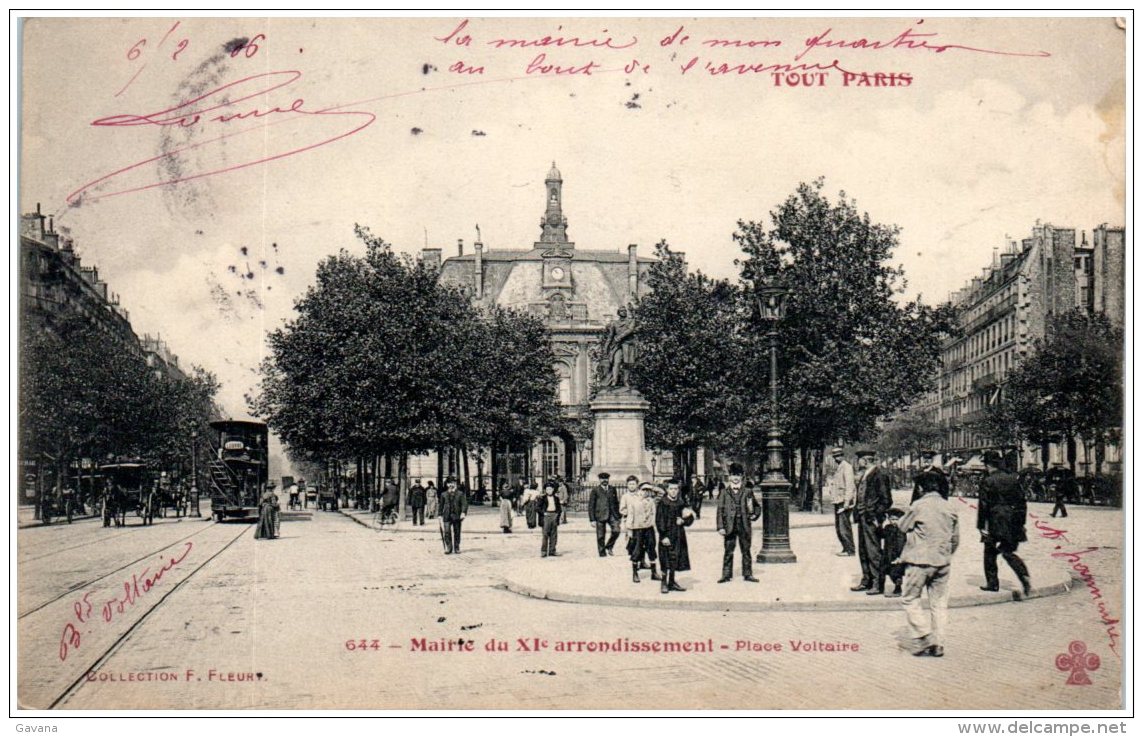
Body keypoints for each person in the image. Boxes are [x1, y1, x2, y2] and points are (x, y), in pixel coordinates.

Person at [898, 473, 961, 657]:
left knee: (910, 598)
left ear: (920, 488)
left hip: (919, 561)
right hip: (943, 562)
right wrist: (944, 554)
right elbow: (955, 539)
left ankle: (923, 635)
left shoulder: (918, 506)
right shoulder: (950, 507)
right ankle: (939, 643)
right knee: (939, 604)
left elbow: (902, 527)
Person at [978, 450, 1032, 595]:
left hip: (995, 520)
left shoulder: (988, 481)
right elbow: (1022, 502)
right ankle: (1023, 574)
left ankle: (992, 583)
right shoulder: (1013, 479)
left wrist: (982, 526)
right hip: (1013, 521)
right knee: (1008, 551)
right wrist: (1021, 523)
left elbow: (984, 505)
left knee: (989, 552)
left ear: (988, 465)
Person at [851, 450, 893, 594]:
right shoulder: (865, 475)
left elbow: (886, 500)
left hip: (871, 518)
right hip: (863, 517)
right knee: (863, 550)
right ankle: (866, 580)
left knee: (874, 551)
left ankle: (877, 583)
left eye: (860, 460)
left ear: (866, 460)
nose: (858, 462)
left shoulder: (879, 475)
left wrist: (876, 516)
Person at [716, 463, 761, 583]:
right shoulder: (724, 492)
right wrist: (720, 526)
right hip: (729, 525)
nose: (735, 478)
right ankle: (726, 575)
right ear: (729, 477)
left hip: (744, 524)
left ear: (741, 477)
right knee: (728, 550)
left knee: (746, 550)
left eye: (738, 475)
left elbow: (756, 506)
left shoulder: (747, 491)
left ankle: (748, 574)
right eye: (733, 475)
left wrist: (755, 515)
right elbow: (720, 510)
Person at [656, 479, 695, 594]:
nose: (674, 491)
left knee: (675, 558)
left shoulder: (681, 502)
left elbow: (690, 517)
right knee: (665, 558)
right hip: (667, 535)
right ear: (667, 490)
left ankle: (672, 582)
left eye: (676, 489)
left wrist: (683, 520)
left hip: (678, 535)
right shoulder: (663, 503)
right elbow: (659, 521)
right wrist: (663, 536)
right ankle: (664, 582)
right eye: (671, 489)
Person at [625, 481, 661, 583]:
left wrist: (653, 488)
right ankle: (635, 574)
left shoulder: (652, 501)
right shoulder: (634, 502)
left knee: (651, 549)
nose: (645, 492)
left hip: (649, 528)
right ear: (639, 490)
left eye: (647, 490)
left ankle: (654, 572)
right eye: (643, 490)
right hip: (637, 529)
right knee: (637, 551)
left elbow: (661, 494)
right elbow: (630, 516)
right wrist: (629, 530)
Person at [827, 447, 857, 557]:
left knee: (844, 527)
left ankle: (850, 549)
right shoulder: (839, 467)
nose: (836, 458)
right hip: (838, 500)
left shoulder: (847, 467)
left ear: (842, 455)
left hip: (843, 501)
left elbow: (850, 486)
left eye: (838, 455)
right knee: (839, 527)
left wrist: (846, 502)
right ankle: (845, 548)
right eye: (835, 456)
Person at [588, 472, 622, 557]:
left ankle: (609, 546)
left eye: (606, 479)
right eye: (602, 479)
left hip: (612, 514)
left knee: (616, 530)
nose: (604, 480)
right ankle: (602, 554)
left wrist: (618, 516)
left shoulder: (612, 489)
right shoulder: (595, 490)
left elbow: (616, 502)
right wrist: (592, 519)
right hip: (600, 515)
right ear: (599, 480)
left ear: (608, 479)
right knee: (600, 536)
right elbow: (591, 505)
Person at [881, 507, 907, 598]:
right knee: (885, 570)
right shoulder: (888, 527)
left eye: (896, 519)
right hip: (887, 553)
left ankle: (898, 588)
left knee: (896, 572)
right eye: (892, 519)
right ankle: (881, 586)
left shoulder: (901, 530)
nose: (894, 521)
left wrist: (899, 556)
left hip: (896, 555)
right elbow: (881, 534)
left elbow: (901, 543)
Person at [438, 477, 468, 554]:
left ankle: (457, 547)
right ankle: (448, 547)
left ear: (455, 484)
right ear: (447, 484)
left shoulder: (460, 494)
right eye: (449, 483)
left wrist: (463, 512)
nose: (451, 485)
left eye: (453, 483)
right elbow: (441, 505)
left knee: (457, 532)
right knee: (447, 532)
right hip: (447, 516)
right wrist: (439, 515)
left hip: (457, 515)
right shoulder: (443, 494)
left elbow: (464, 504)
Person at [536, 480, 563, 557]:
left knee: (554, 534)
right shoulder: (542, 498)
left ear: (553, 489)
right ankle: (543, 551)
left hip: (554, 515)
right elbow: (537, 508)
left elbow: (559, 508)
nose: (549, 491)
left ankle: (552, 550)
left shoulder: (556, 498)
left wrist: (558, 515)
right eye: (547, 489)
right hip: (546, 516)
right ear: (545, 490)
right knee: (545, 534)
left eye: (550, 489)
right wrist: (543, 513)